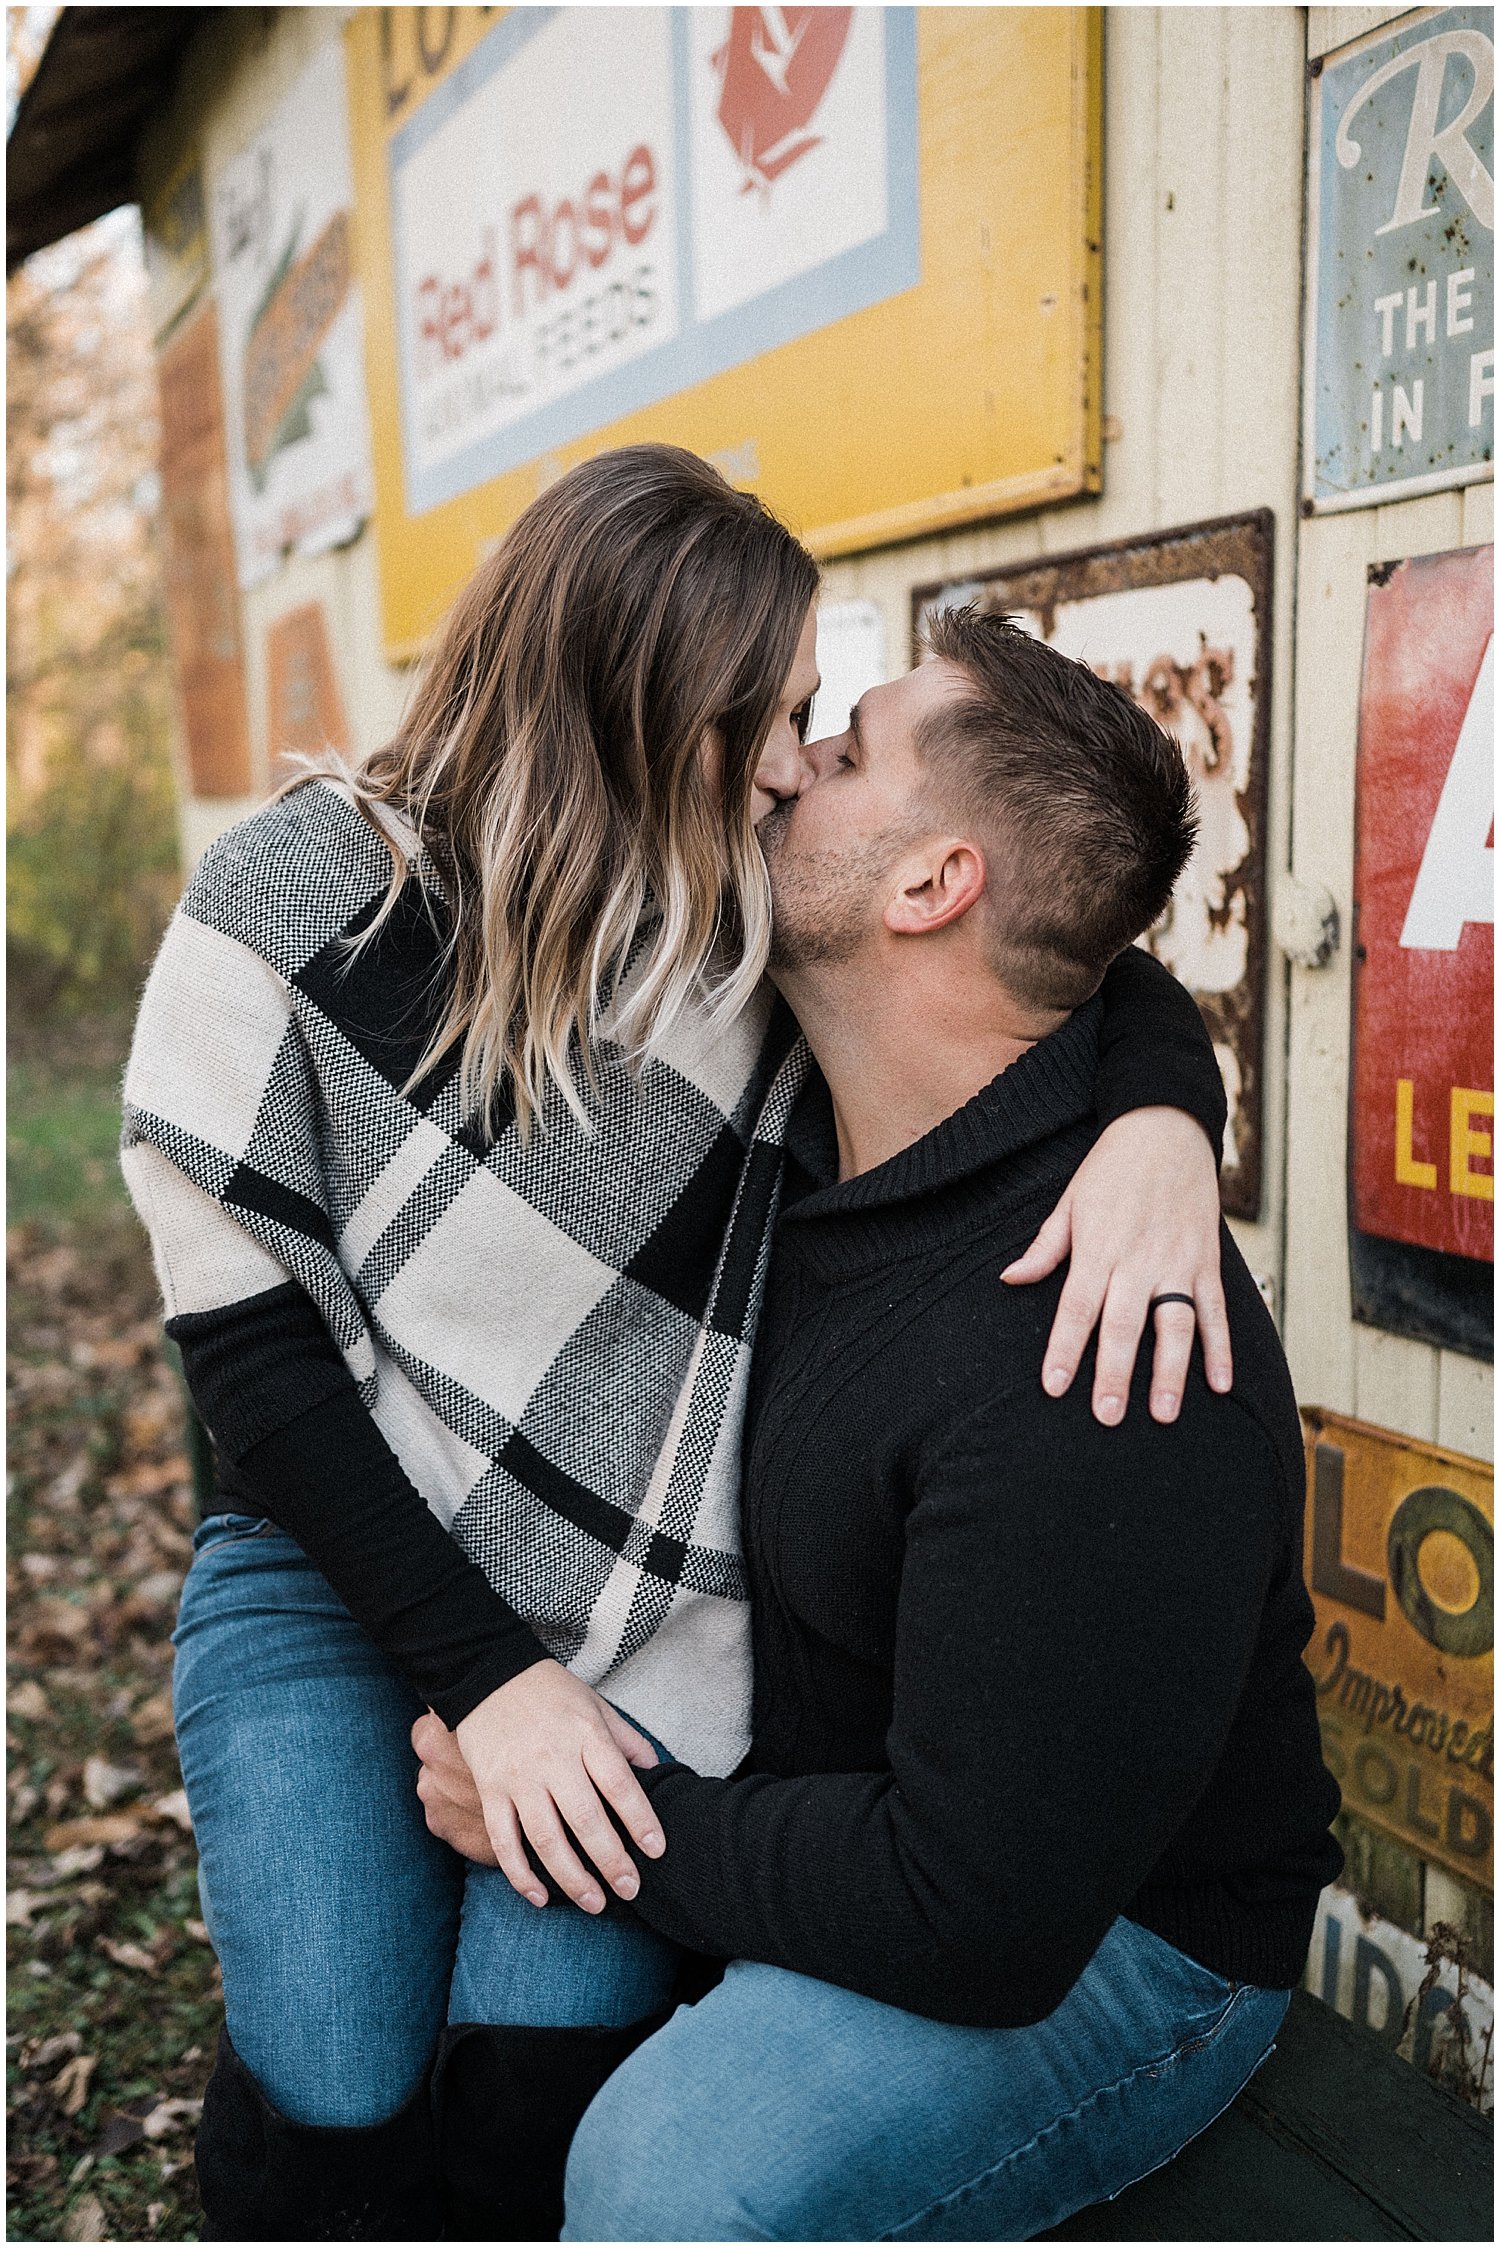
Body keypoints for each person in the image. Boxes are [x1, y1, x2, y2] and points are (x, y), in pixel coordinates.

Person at [122, 448, 1234, 2241]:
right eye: (779, 715)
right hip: (331, 1554)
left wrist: (1170, 1123)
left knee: (540, 2072)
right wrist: (484, 1682)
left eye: (822, 724)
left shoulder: (741, 928)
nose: (797, 758)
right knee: (334, 2067)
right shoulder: (289, 906)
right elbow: (253, 1371)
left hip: (635, 1610)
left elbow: (1060, 943)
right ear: (647, 703)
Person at [415, 604, 1344, 2243]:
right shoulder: (800, 1091)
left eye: (839, 755)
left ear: (932, 887)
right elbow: (1106, 972)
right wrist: (1169, 1099)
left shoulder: (1095, 1362)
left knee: (671, 2175)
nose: (777, 774)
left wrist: (585, 1812)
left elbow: (978, 1916)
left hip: (1116, 1941)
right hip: (839, 1805)